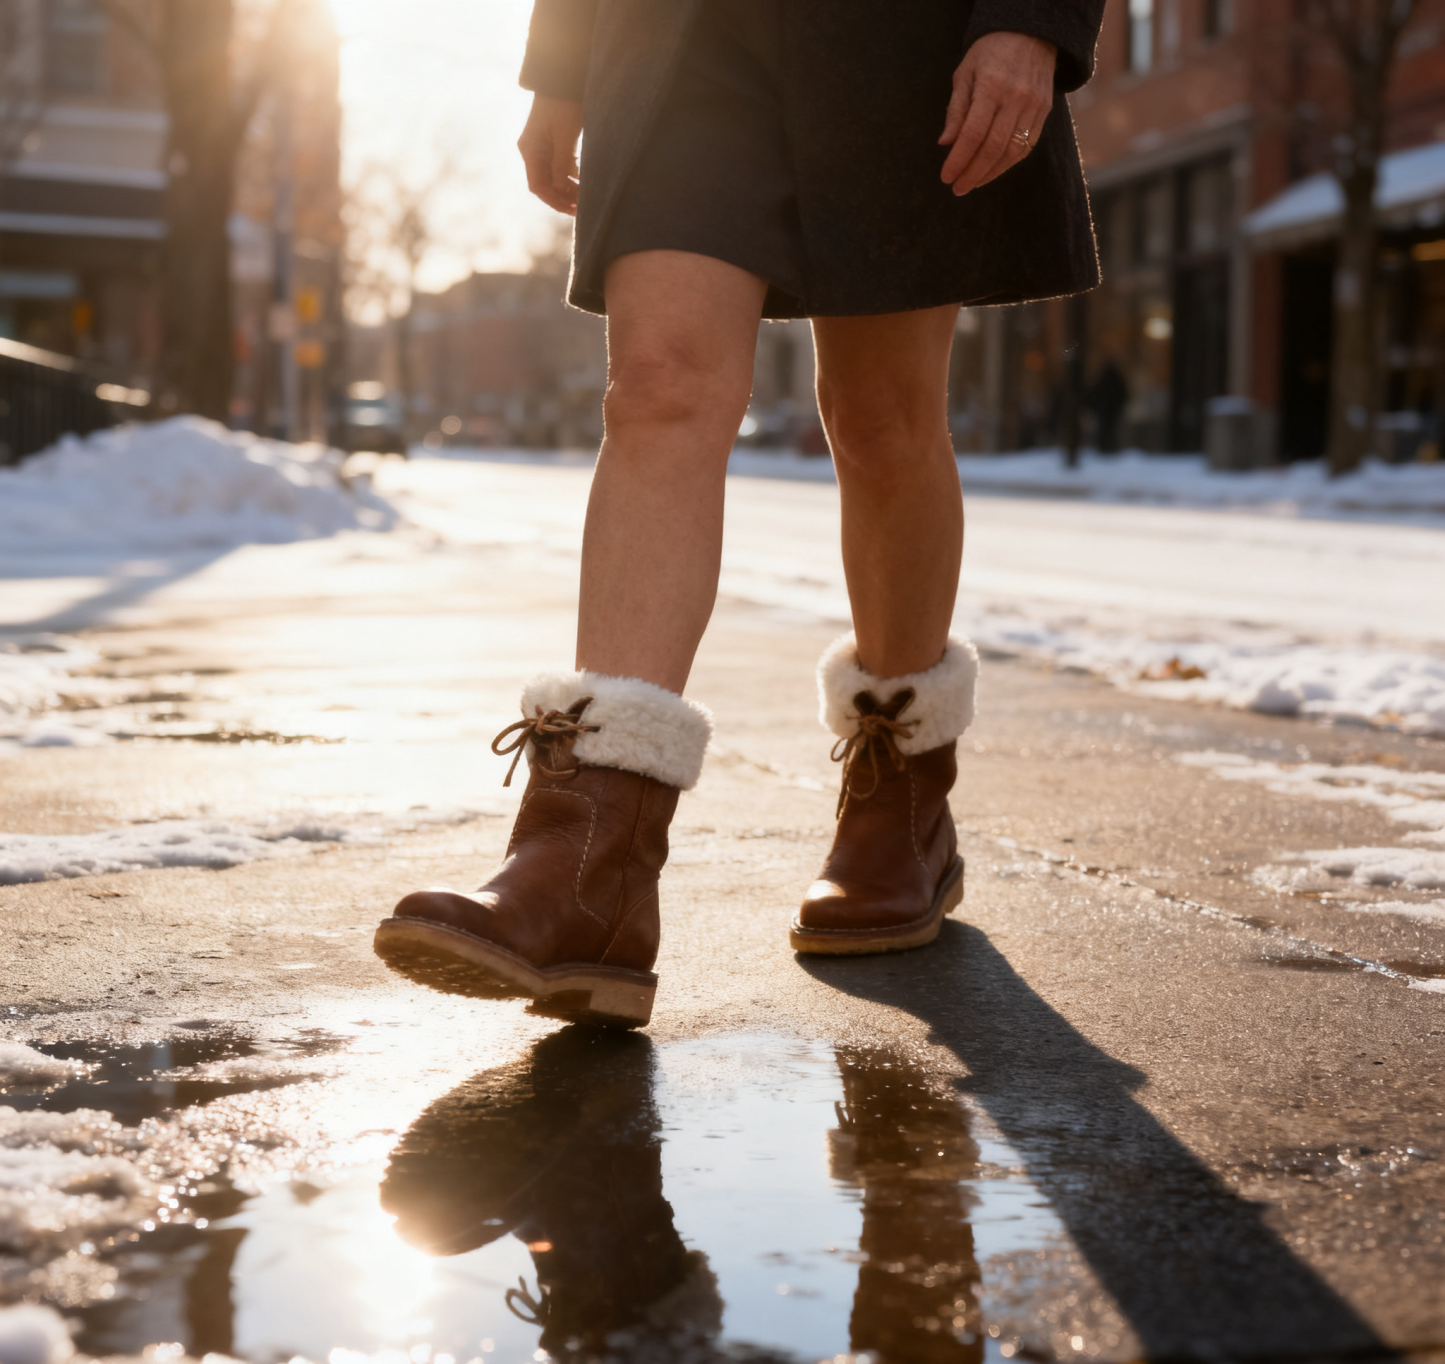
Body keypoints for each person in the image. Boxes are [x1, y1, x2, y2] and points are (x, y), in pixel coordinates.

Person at [375, 0, 1106, 1028]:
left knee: (881, 417)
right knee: (656, 386)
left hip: (900, 41)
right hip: (673, 36)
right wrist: (560, 63)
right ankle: (586, 862)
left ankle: (900, 800)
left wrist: (1030, 19)